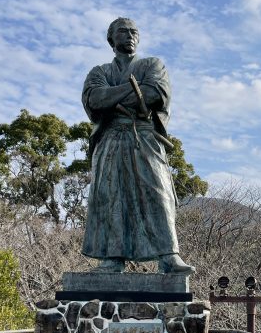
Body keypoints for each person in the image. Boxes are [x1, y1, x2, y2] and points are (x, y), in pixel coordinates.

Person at [81, 17, 194, 274]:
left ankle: (169, 256)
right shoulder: (98, 72)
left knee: (158, 191)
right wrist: (133, 91)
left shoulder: (152, 64)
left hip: (144, 135)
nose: (130, 35)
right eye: (123, 31)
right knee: (111, 196)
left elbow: (156, 93)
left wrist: (115, 94)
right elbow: (95, 99)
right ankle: (111, 259)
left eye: (134, 32)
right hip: (110, 138)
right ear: (112, 38)